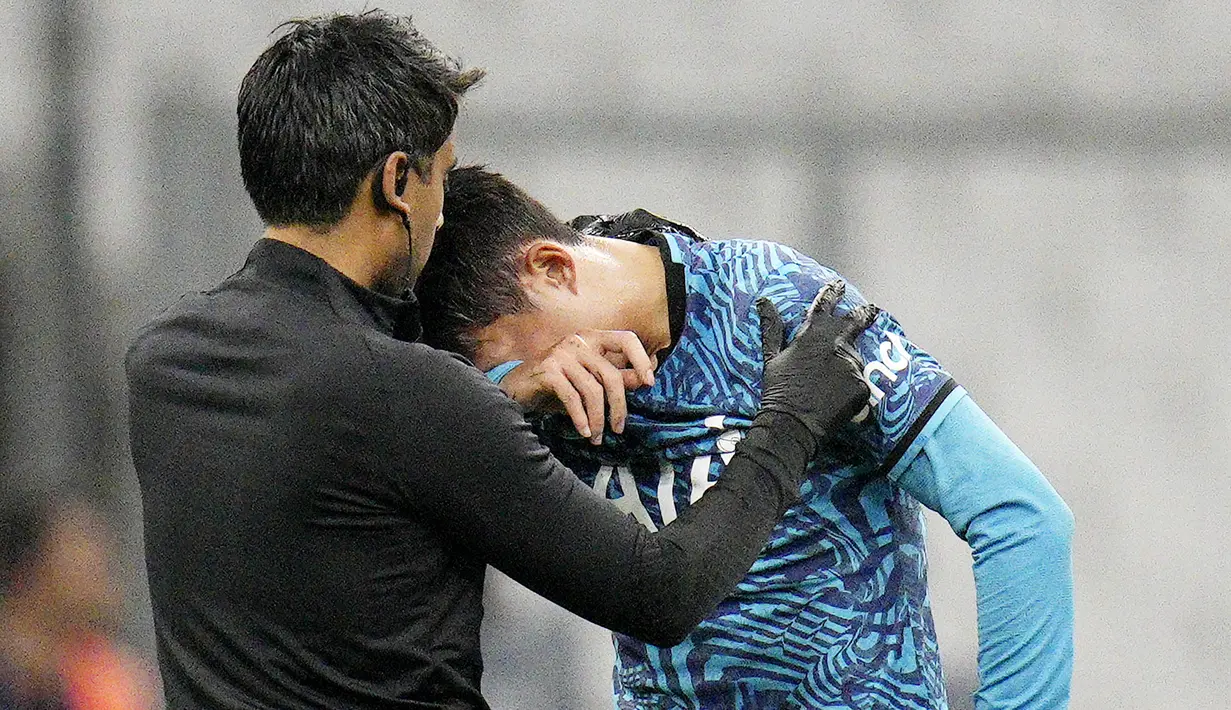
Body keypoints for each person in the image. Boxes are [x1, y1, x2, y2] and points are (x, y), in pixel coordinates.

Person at [124, 11, 879, 709]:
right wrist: (790, 419)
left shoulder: (166, 363)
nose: (445, 211)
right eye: (441, 180)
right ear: (395, 183)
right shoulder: (407, 395)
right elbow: (661, 593)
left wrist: (501, 399)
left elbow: (335, 486)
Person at [415, 166, 1076, 709]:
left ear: (553, 269)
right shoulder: (514, 405)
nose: (536, 384)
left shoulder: (774, 306)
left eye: (500, 362)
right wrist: (504, 395)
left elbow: (1018, 514)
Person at [0, 495, 155, 710]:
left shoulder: (101, 672)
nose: (102, 561)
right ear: (31, 568)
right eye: (82, 543)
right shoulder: (13, 679)